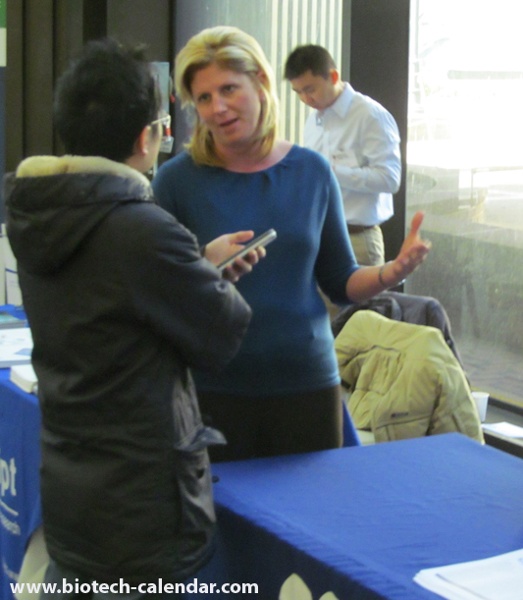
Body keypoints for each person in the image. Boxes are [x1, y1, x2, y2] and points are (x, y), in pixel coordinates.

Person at [4, 38, 259, 599]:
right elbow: (223, 331)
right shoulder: (140, 228)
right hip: (141, 502)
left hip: (74, 485)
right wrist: (199, 271)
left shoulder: (39, 212)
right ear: (148, 136)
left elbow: (112, 306)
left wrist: (191, 266)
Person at [153, 26, 430, 463]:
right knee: (220, 528)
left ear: (261, 84)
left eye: (228, 89)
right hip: (211, 389)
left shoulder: (312, 172)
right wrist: (203, 264)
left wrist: (391, 272)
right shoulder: (175, 181)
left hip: (306, 385)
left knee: (313, 521)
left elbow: (340, 281)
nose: (218, 107)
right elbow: (153, 294)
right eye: (203, 98)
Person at [284, 44, 402, 267]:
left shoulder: (370, 115)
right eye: (298, 92)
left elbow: (390, 179)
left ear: (334, 76)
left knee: (360, 304)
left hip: (357, 239)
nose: (305, 99)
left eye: (310, 89)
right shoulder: (313, 121)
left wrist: (329, 172)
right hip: (317, 236)